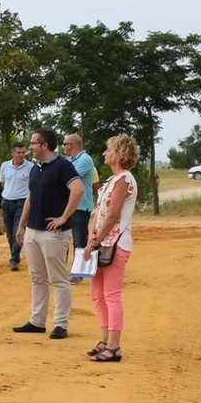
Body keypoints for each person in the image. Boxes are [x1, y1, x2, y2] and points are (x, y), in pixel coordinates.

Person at [13, 128, 83, 339]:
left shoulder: (63, 165)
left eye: (34, 143)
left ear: (44, 145)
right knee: (37, 278)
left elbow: (78, 189)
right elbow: (31, 197)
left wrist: (63, 217)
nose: (31, 147)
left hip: (54, 233)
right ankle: (37, 321)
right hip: (33, 231)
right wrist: (22, 224)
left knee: (58, 279)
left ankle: (60, 324)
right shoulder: (36, 169)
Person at [83, 134, 139, 363]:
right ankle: (106, 340)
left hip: (115, 243)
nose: (105, 153)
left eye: (109, 150)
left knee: (111, 295)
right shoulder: (113, 180)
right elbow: (100, 214)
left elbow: (113, 215)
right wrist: (92, 237)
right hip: (103, 243)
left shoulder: (124, 179)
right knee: (97, 294)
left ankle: (114, 346)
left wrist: (95, 240)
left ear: (119, 154)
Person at [62, 133, 97, 256]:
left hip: (80, 207)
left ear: (71, 145)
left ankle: (80, 267)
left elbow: (68, 179)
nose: (63, 147)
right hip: (69, 206)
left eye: (65, 144)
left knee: (79, 241)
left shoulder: (85, 159)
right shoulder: (70, 160)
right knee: (63, 240)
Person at [0, 142, 32, 271]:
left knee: (17, 231)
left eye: (23, 152)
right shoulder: (4, 166)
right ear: (12, 153)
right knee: (9, 232)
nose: (21, 155)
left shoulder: (30, 167)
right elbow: (3, 182)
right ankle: (14, 253)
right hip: (7, 201)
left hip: (22, 203)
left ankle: (14, 259)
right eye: (18, 152)